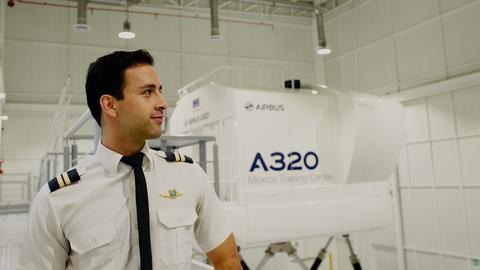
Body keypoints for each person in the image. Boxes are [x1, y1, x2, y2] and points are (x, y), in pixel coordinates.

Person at [17, 50, 242, 270]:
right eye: (147, 92)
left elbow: (228, 260)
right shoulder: (57, 200)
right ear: (110, 105)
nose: (163, 102)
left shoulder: (188, 175)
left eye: (160, 91)